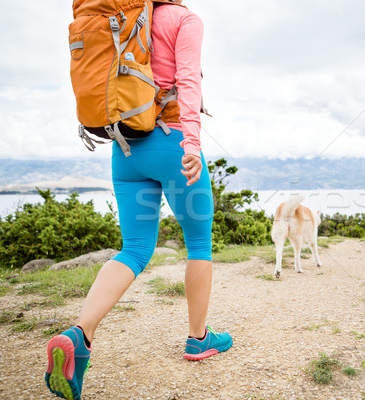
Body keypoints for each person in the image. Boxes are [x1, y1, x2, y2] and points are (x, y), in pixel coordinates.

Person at [45, 3, 232, 399]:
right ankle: (199, 339)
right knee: (198, 243)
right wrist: (193, 145)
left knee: (133, 249)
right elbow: (188, 82)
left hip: (126, 148)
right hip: (172, 143)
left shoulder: (133, 16)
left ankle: (80, 335)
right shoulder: (183, 19)